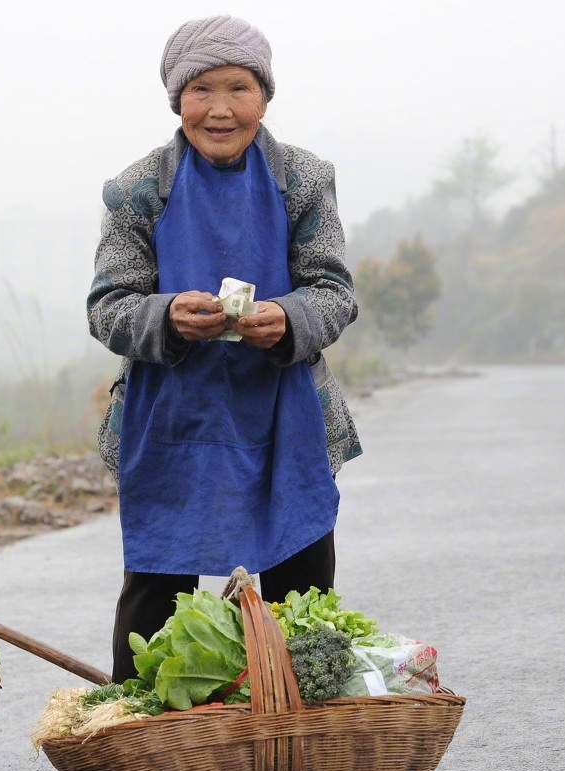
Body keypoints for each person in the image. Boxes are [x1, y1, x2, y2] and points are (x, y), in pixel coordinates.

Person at [87, 15, 363, 683]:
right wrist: (167, 315)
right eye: (199, 89)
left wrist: (288, 318)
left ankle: (307, 738)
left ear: (264, 96)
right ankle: (146, 745)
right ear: (176, 99)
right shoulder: (136, 191)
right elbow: (108, 308)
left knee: (303, 606)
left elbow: (332, 291)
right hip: (171, 423)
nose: (218, 109)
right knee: (155, 606)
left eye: (237, 88)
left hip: (284, 418)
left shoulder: (303, 178)